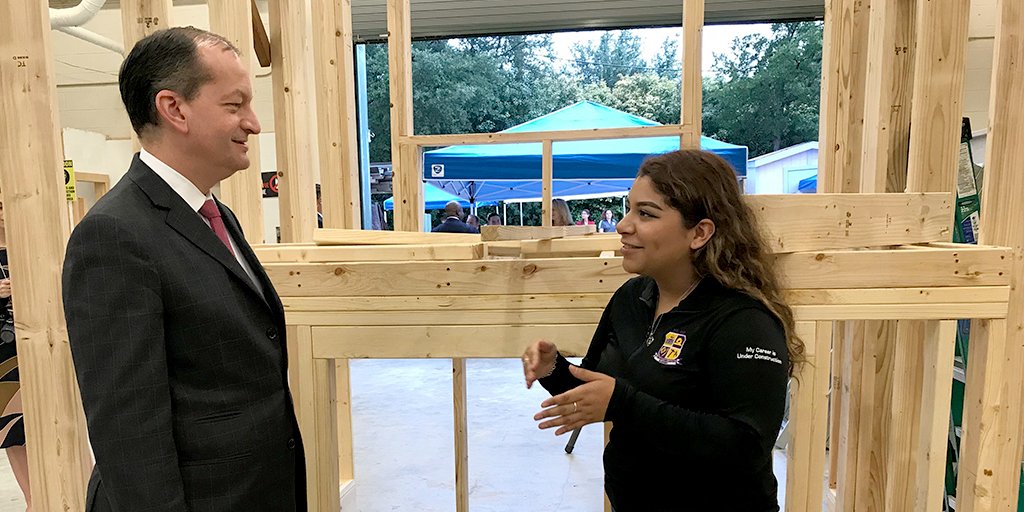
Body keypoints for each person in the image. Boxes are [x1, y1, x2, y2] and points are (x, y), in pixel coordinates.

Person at [62, 27, 305, 512]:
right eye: (235, 106)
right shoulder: (115, 235)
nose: (253, 124)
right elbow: (129, 434)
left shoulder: (216, 216)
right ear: (174, 109)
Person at [521, 150, 800, 511]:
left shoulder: (743, 320)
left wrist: (625, 404)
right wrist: (554, 370)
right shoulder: (633, 297)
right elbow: (600, 388)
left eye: (646, 214)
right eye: (628, 208)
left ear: (700, 232)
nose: (623, 225)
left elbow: (746, 446)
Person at [0, 200, 30, 511]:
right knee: (13, 426)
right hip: (4, 349)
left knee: (41, 419)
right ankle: (31, 498)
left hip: (36, 342)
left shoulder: (28, 243)